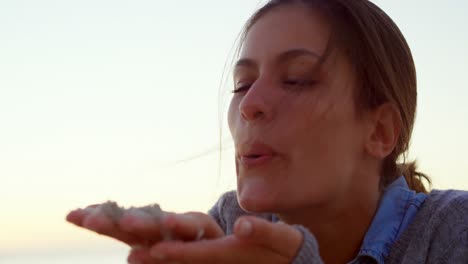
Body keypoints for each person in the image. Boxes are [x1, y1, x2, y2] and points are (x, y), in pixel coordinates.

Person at [66, 0, 468, 263]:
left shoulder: (452, 231)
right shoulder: (229, 224)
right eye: (241, 84)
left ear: (380, 131)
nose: (250, 103)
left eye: (296, 79)